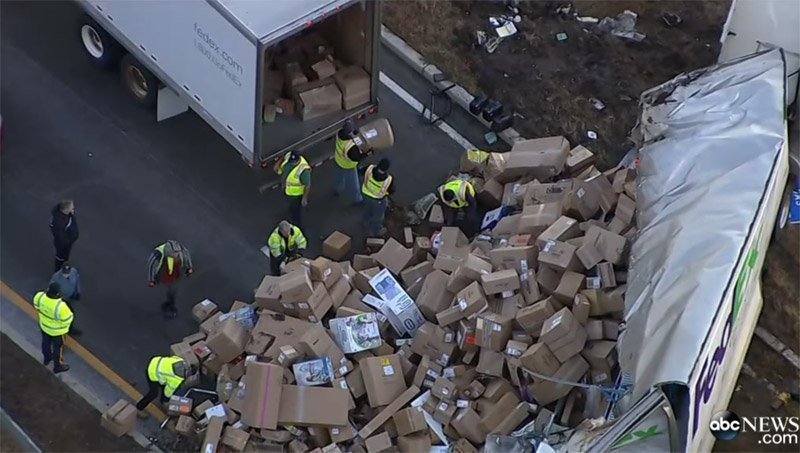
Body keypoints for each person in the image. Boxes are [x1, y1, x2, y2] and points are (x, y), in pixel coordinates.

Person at [33, 282, 74, 373]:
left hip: (44, 326)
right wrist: (63, 327)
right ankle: (57, 366)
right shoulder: (61, 306)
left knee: (45, 343)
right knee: (57, 349)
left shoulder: (39, 297)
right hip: (57, 332)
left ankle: (47, 359)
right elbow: (68, 319)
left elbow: (36, 306)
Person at [147, 240, 193, 319]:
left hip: (175, 274)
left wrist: (189, 267)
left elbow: (186, 256)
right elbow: (151, 266)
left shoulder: (181, 251)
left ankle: (170, 303)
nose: (176, 255)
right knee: (166, 290)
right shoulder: (158, 254)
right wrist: (151, 279)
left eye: (177, 253)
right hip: (163, 274)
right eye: (174, 253)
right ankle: (168, 303)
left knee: (172, 290)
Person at [334, 119, 370, 205]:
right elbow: (357, 158)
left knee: (339, 177)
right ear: (349, 132)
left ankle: (337, 190)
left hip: (338, 160)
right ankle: (357, 199)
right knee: (354, 185)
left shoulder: (339, 134)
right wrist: (367, 154)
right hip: (348, 166)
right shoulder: (350, 147)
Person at [274, 151, 311, 229]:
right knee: (292, 206)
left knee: (296, 211)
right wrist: (280, 160)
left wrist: (304, 198)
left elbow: (307, 185)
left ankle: (297, 225)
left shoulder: (303, 171)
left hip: (296, 195)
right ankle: (292, 214)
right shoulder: (288, 160)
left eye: (294, 162)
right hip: (287, 191)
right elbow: (278, 169)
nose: (292, 164)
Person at [361, 158, 395, 236]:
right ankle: (376, 230)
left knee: (367, 208)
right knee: (378, 215)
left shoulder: (369, 169)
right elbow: (392, 190)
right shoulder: (388, 180)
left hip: (366, 194)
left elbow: (361, 172)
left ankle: (365, 221)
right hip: (378, 200)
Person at [50, 262, 82, 336]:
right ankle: (59, 329)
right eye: (65, 272)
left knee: (71, 313)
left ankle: (70, 328)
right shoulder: (56, 277)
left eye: (68, 272)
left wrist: (77, 292)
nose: (66, 274)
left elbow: (77, 282)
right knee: (60, 315)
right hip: (61, 299)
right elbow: (51, 288)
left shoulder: (74, 272)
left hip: (70, 297)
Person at [50, 199, 79, 272]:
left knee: (65, 256)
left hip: (68, 241)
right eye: (71, 207)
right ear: (66, 210)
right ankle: (58, 271)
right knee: (61, 256)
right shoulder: (59, 222)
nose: (73, 209)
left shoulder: (67, 215)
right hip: (63, 244)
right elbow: (59, 236)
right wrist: (67, 241)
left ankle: (63, 263)